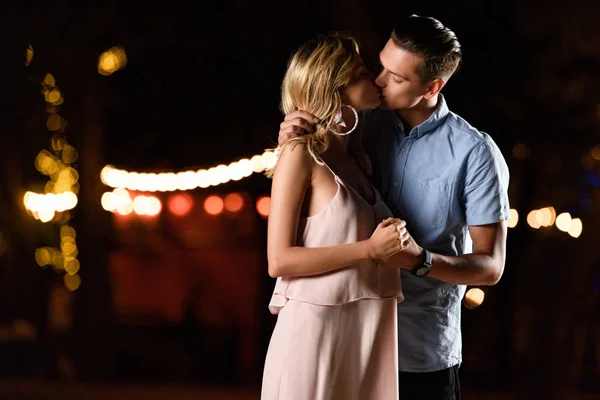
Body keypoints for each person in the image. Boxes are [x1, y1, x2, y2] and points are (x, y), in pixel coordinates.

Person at [278, 15, 510, 400]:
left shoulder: (475, 153)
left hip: (419, 353)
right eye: (380, 66)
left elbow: (491, 267)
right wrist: (295, 130)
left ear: (432, 86)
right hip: (348, 342)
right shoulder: (356, 126)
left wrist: (420, 259)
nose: (379, 81)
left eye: (397, 78)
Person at [261, 33, 408, 400]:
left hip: (365, 330)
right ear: (334, 87)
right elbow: (279, 260)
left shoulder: (359, 160)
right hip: (315, 335)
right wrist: (369, 250)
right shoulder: (299, 153)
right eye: (361, 72)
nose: (374, 77)